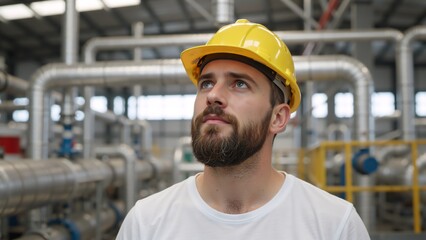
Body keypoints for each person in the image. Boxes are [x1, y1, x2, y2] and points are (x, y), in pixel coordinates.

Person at [116, 19, 370, 240]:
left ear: (278, 118)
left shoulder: (334, 225)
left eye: (239, 83)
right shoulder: (146, 222)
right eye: (206, 83)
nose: (213, 95)